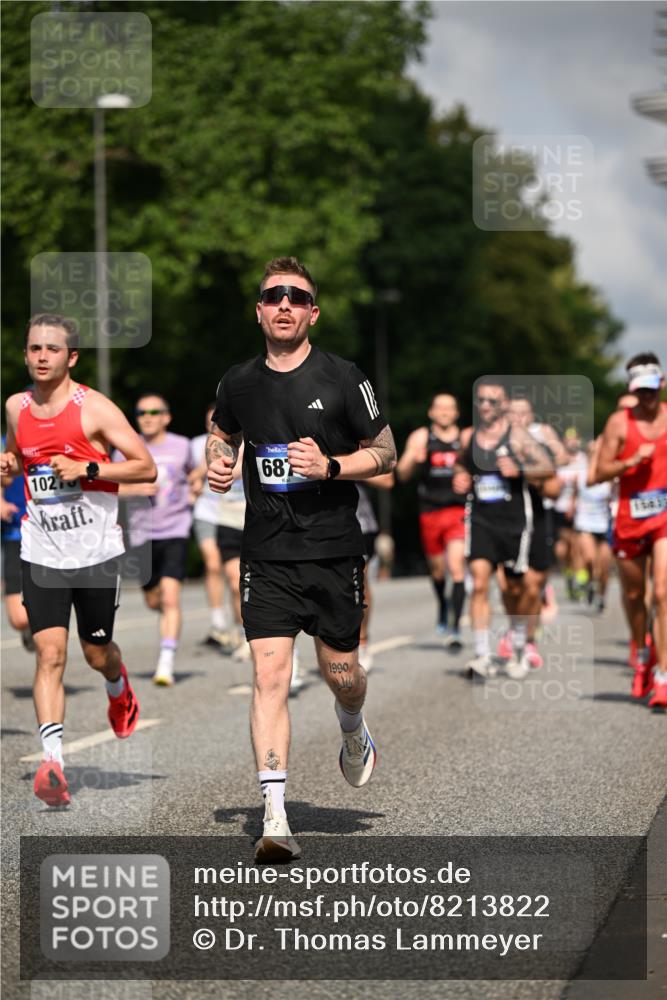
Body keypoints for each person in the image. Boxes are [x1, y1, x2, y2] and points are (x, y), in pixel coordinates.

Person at [206, 256, 396, 863]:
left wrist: (331, 466)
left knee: (343, 674)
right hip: (265, 553)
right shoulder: (238, 382)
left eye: (295, 296)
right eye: (273, 296)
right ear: (258, 311)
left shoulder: (343, 377)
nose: (283, 304)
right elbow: (222, 431)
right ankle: (275, 815)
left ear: (313, 312)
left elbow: (385, 452)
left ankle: (352, 724)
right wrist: (218, 461)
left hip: (333, 549)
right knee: (269, 677)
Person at [0, 314, 155, 807]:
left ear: (72, 357)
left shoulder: (95, 409)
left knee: (96, 652)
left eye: (52, 349)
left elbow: (145, 467)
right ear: (25, 355)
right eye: (34, 348)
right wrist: (8, 465)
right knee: (50, 654)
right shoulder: (16, 407)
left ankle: (118, 684)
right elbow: (17, 457)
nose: (42, 356)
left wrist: (87, 467)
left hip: (94, 553)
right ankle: (53, 763)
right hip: (41, 550)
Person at [454, 379, 554, 680]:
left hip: (515, 523)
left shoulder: (518, 435)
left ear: (504, 405)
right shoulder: (469, 435)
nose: (486, 406)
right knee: (479, 583)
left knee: (516, 589)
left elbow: (547, 468)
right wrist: (460, 477)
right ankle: (482, 655)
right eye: (481, 400)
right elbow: (461, 465)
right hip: (480, 519)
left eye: (493, 401)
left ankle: (520, 648)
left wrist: (521, 469)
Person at [594, 353, 667, 707]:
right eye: (641, 391)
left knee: (663, 592)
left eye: (652, 389)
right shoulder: (619, 423)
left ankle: (664, 676)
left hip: (664, 518)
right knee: (636, 597)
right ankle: (642, 651)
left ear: (662, 385)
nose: (647, 397)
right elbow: (598, 472)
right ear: (631, 390)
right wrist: (630, 461)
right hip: (629, 519)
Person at [119, 394, 194, 687]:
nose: (147, 417)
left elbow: (195, 473)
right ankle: (166, 623)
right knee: (154, 601)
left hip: (175, 529)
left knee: (171, 597)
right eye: (141, 412)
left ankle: (166, 661)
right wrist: (133, 489)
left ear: (166, 417)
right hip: (141, 534)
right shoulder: (127, 447)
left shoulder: (182, 445)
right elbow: (108, 487)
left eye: (154, 412)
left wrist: (196, 487)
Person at [397, 394, 466, 647]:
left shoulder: (465, 439)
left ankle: (455, 627)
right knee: (437, 570)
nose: (445, 412)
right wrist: (412, 460)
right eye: (440, 408)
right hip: (430, 511)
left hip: (458, 510)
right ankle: (443, 605)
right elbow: (401, 474)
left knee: (457, 567)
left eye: (449, 408)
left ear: (456, 413)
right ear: (431, 413)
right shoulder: (421, 437)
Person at [190, 403, 246, 651]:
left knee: (241, 581)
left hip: (240, 513)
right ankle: (218, 622)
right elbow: (188, 476)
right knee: (215, 565)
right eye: (210, 422)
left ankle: (243, 629)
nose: (214, 425)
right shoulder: (197, 445)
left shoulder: (247, 440)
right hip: (209, 511)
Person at [571, 438, 612, 613]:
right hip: (585, 523)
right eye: (592, 452)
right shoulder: (580, 475)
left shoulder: (608, 475)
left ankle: (601, 596)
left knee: (604, 568)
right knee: (589, 559)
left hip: (605, 525)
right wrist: (572, 506)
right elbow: (575, 494)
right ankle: (589, 583)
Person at [1, 447, 34, 651]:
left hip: (48, 536)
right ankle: (32, 629)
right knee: (19, 619)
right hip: (15, 533)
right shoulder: (6, 444)